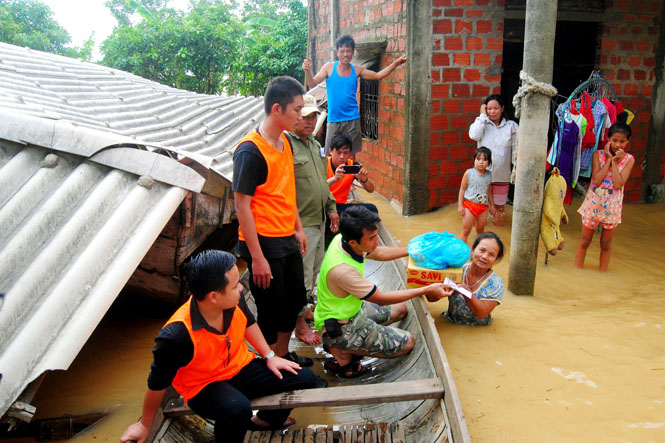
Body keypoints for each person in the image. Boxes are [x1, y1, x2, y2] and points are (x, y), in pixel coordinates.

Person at [120, 250, 316, 443]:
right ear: (214, 296)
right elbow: (156, 384)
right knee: (238, 409)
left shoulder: (234, 301)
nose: (241, 289)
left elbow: (248, 323)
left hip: (240, 367)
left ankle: (265, 421)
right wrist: (145, 425)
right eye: (235, 285)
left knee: (306, 378)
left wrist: (270, 356)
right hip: (203, 386)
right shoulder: (176, 336)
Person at [313, 206, 452, 378]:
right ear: (353, 243)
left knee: (401, 309)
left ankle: (348, 345)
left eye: (377, 234)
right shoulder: (343, 270)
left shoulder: (344, 239)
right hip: (341, 327)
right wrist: (427, 289)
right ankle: (342, 350)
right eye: (372, 237)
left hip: (351, 311)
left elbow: (377, 252)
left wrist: (410, 252)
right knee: (408, 342)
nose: (377, 240)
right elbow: (381, 299)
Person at [232, 76, 311, 367]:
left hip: (286, 237)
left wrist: (299, 229)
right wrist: (257, 258)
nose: (301, 117)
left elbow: (287, 190)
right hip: (263, 242)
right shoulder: (249, 151)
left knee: (294, 301)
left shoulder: (286, 142)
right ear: (277, 109)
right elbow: (242, 206)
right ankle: (265, 362)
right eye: (297, 110)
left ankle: (281, 352)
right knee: (269, 308)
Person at [289, 94, 340, 345]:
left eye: (313, 117)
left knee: (315, 270)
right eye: (305, 116)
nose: (309, 121)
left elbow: (321, 182)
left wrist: (331, 208)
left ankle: (304, 310)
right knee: (301, 275)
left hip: (319, 219)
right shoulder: (286, 144)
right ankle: (299, 325)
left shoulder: (311, 143)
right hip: (302, 223)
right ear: (294, 116)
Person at [302, 34, 407, 154]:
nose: (345, 54)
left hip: (352, 119)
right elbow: (312, 83)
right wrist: (307, 71)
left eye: (348, 51)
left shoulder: (357, 70)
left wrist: (396, 63)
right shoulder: (329, 67)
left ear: (353, 52)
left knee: (351, 154)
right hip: (334, 119)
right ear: (337, 52)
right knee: (330, 154)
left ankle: (350, 174)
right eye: (342, 51)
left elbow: (378, 75)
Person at [575, 122, 634, 272]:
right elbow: (596, 180)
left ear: (628, 142)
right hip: (593, 205)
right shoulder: (598, 155)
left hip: (612, 208)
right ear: (608, 139)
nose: (617, 145)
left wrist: (614, 162)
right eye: (614, 140)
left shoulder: (629, 160)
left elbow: (618, 184)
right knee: (584, 241)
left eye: (622, 141)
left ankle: (603, 273)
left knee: (606, 244)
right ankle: (577, 272)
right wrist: (608, 159)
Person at [468, 94, 519, 227]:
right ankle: (478, 238)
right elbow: (473, 135)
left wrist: (516, 167)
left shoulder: (511, 126)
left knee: (499, 209)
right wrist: (482, 116)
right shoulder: (482, 124)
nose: (492, 112)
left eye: (495, 108)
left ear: (502, 108)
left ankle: (498, 234)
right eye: (489, 109)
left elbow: (516, 150)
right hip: (482, 175)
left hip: (501, 176)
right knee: (478, 207)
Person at [442, 232, 505, 326]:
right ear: (472, 251)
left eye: (491, 255)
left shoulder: (496, 283)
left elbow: (481, 313)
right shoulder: (457, 271)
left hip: (479, 329)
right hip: (450, 321)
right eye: (482, 250)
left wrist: (466, 292)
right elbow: (432, 298)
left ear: (495, 260)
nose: (484, 257)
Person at [458, 147, 494, 243]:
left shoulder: (489, 175)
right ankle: (461, 254)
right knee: (466, 230)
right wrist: (460, 206)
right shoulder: (469, 173)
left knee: (480, 230)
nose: (481, 162)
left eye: (484, 160)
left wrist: (492, 205)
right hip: (469, 205)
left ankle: (478, 251)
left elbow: (489, 191)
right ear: (474, 160)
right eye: (478, 159)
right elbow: (462, 190)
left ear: (489, 162)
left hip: (483, 207)